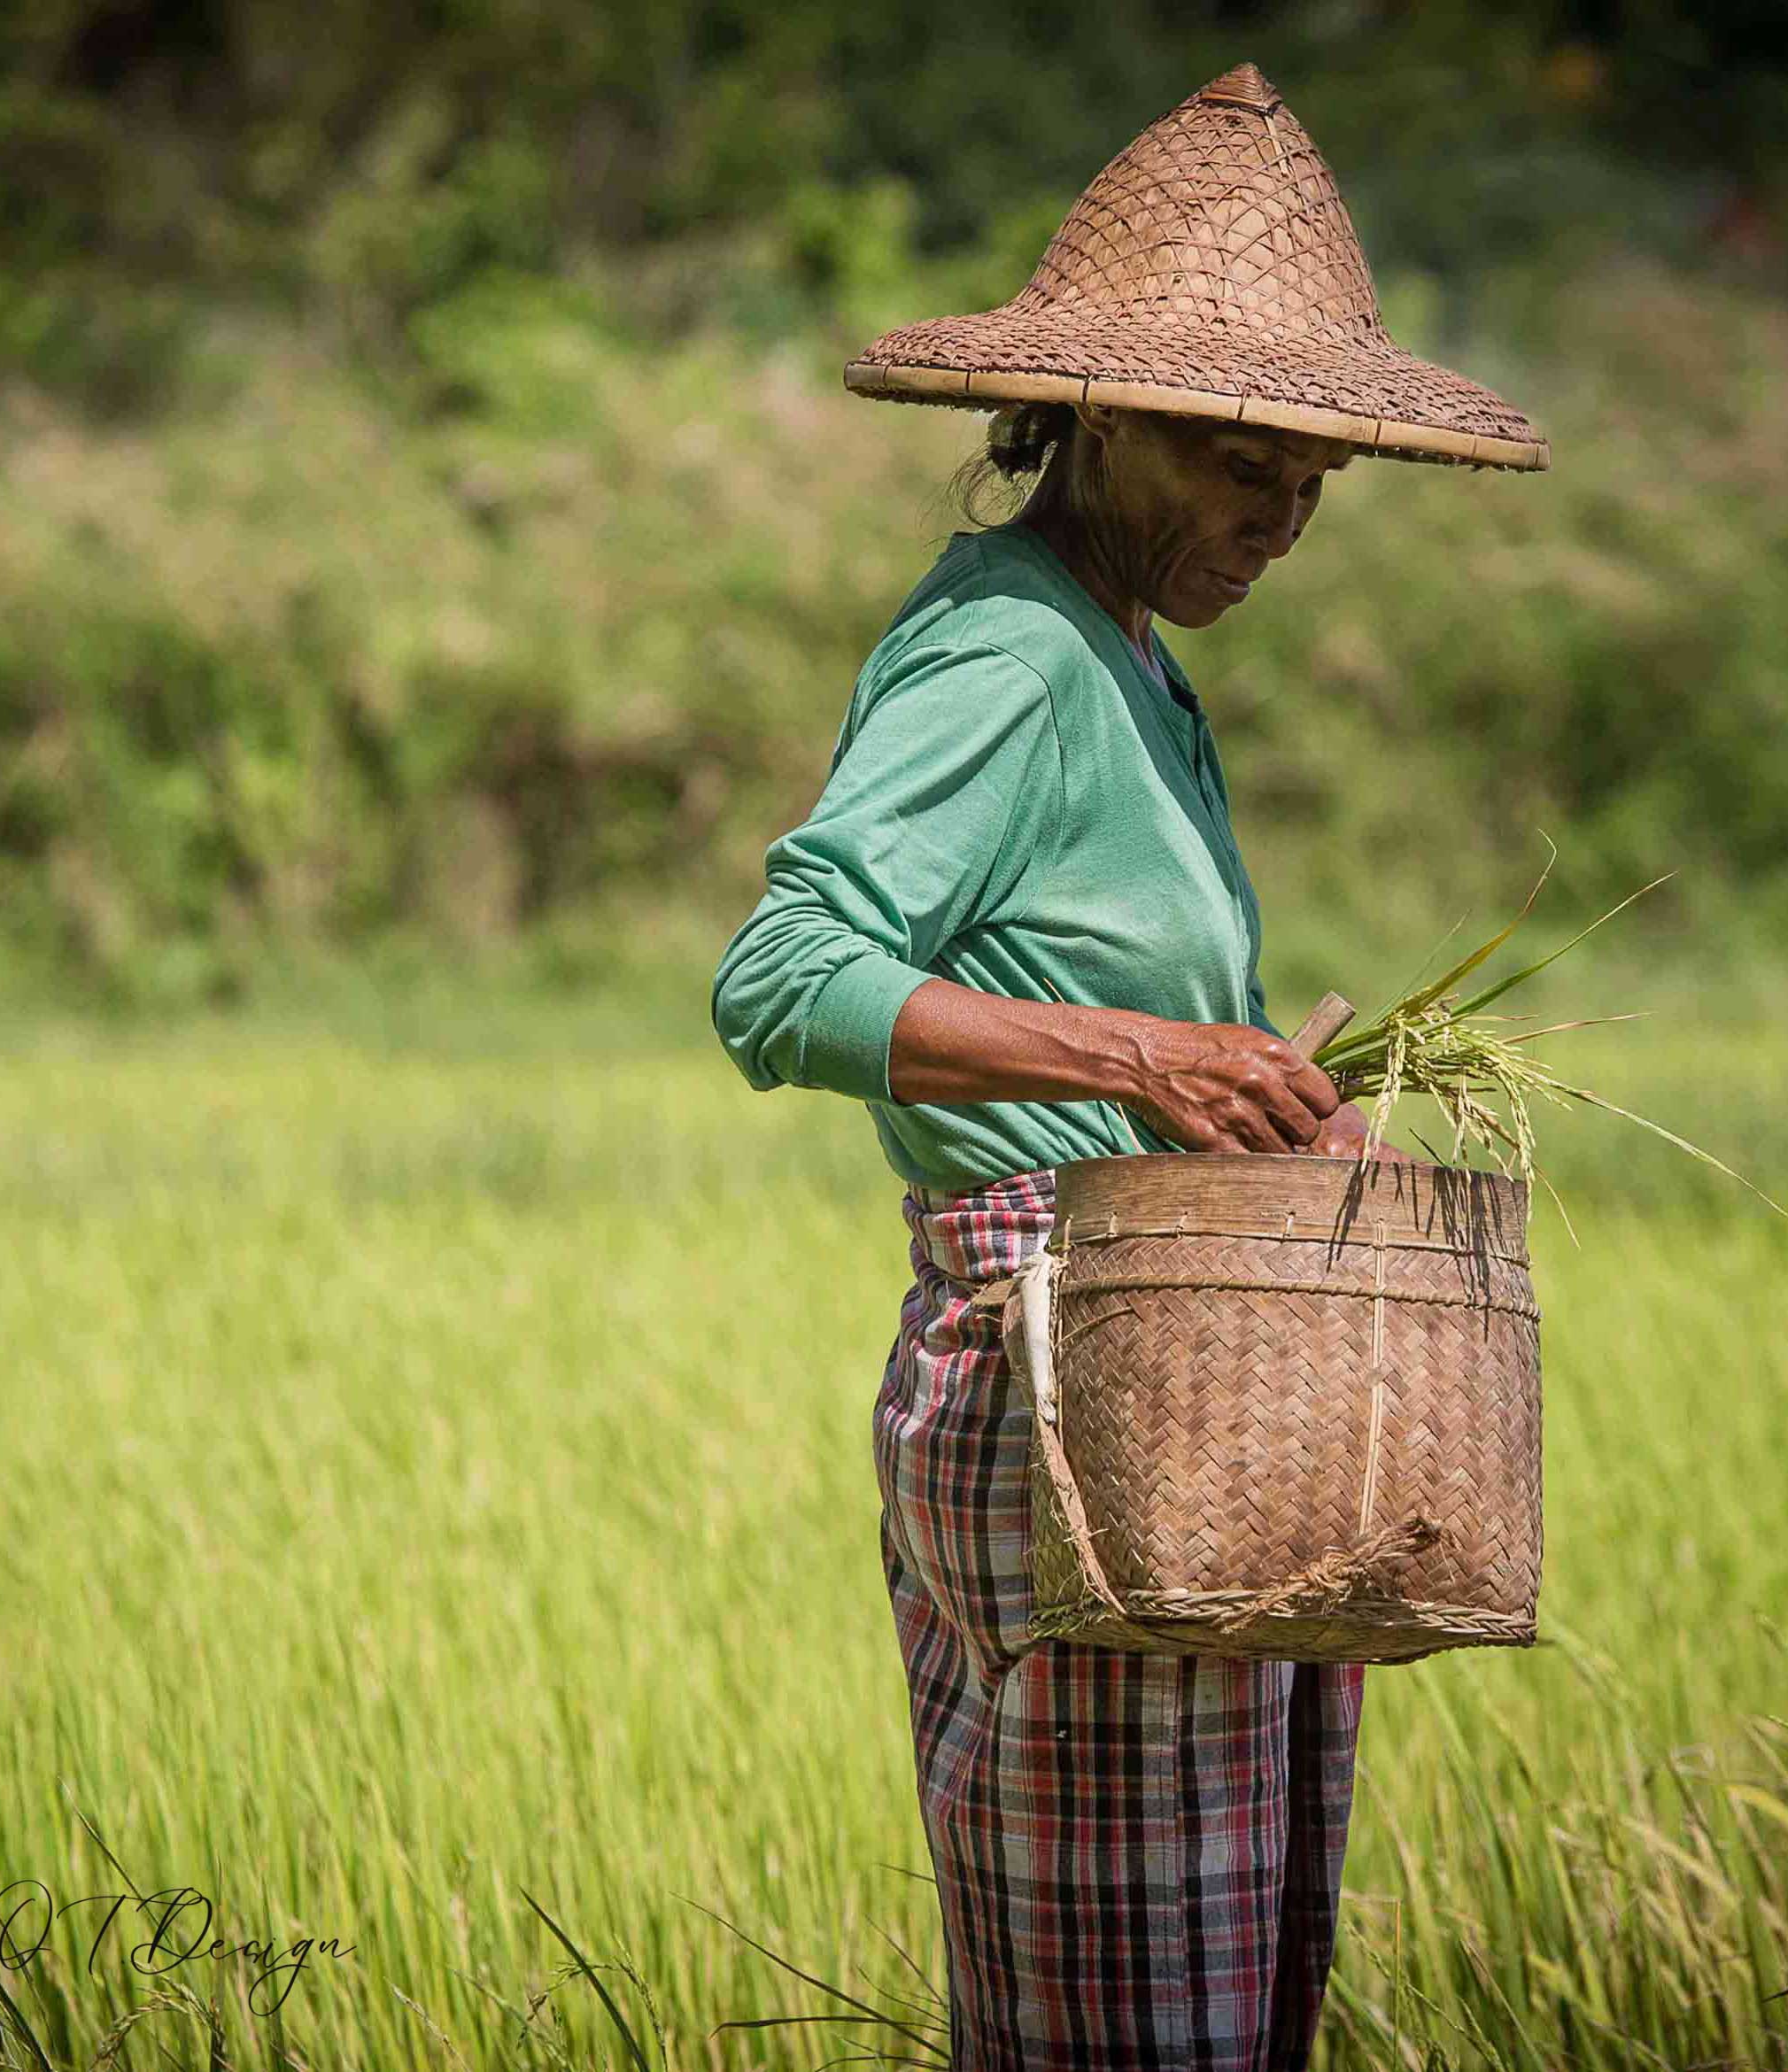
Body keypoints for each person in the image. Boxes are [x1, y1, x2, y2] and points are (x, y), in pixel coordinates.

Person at [712, 64, 1545, 2072]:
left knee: (1222, 2000)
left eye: (1310, 470)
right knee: (1123, 2028)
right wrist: (1142, 1058)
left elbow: (1104, 1017)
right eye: (1230, 455)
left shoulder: (1132, 660)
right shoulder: (1009, 650)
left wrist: (1253, 1089)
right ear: (1089, 414)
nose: (1280, 513)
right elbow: (780, 973)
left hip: (1188, 1379)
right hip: (1068, 1384)